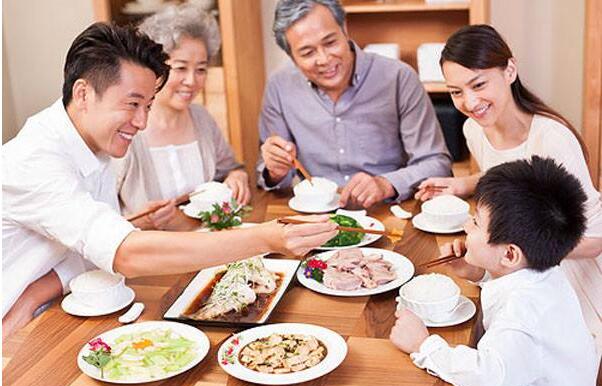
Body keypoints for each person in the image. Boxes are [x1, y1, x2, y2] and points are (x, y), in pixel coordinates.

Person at [2, 22, 337, 337]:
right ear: (84, 93)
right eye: (132, 104)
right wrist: (268, 238)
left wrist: (33, 292)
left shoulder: (93, 142)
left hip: (52, 306)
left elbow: (86, 249)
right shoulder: (36, 159)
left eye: (147, 106)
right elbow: (124, 254)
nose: (141, 121)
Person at [414, 24, 602, 364]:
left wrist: (509, 251)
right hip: (519, 271)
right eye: (456, 92)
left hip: (572, 275)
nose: (470, 102)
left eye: (479, 84)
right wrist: (465, 183)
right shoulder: (475, 129)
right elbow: (507, 176)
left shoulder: (552, 139)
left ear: (510, 70)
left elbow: (595, 236)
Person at [391, 156, 598, 386]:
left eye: (476, 222)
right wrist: (478, 273)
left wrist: (423, 345)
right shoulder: (545, 276)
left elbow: (488, 379)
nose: (467, 226)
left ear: (510, 254)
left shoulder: (521, 319)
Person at [257, 0, 451, 209]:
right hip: (317, 217)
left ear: (344, 29)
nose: (324, 59)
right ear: (292, 57)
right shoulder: (280, 86)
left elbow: (436, 164)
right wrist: (275, 170)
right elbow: (270, 176)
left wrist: (386, 184)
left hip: (388, 211)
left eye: (331, 42)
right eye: (307, 53)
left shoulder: (398, 78)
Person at [113, 3, 250, 231]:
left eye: (201, 69)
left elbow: (230, 168)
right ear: (154, 68)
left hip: (205, 242)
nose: (192, 81)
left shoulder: (202, 118)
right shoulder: (127, 129)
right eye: (180, 68)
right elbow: (100, 218)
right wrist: (142, 221)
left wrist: (238, 176)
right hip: (150, 253)